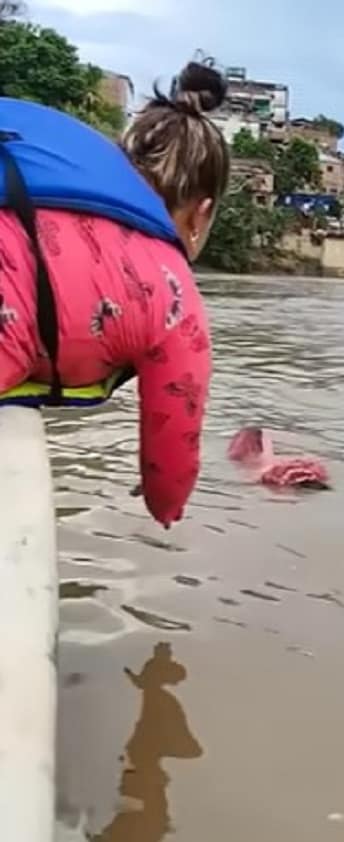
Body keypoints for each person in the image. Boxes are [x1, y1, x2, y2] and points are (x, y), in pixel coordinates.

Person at [0, 59, 229, 528]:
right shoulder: (172, 292)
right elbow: (172, 459)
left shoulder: (46, 172)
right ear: (202, 214)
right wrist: (166, 506)